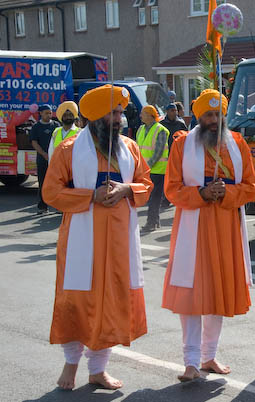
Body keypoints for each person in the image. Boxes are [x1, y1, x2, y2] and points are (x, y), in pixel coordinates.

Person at [42, 84, 153, 390]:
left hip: (120, 242)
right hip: (82, 239)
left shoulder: (129, 148)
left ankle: (98, 370)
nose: (119, 119)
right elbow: (51, 192)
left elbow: (145, 184)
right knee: (77, 299)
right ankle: (71, 365)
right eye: (112, 113)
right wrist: (90, 196)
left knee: (110, 303)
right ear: (94, 116)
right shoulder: (69, 149)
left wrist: (126, 189)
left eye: (120, 113)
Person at [162, 89, 255, 382]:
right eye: (208, 115)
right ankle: (190, 361)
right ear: (197, 117)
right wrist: (202, 193)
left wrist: (227, 192)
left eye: (218, 114)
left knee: (218, 293)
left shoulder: (238, 143)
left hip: (227, 228)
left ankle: (209, 356)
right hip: (194, 227)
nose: (214, 120)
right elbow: (172, 189)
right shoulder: (181, 145)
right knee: (191, 295)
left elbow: (251, 187)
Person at [136, 105, 170, 232]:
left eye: (143, 113)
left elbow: (158, 151)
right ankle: (155, 222)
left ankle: (151, 223)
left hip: (157, 170)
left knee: (154, 198)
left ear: (150, 115)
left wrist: (146, 166)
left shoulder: (160, 130)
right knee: (152, 198)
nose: (140, 116)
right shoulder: (140, 129)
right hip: (145, 170)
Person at [29, 104, 60, 214]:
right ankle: (42, 207)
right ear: (40, 113)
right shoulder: (36, 127)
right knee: (43, 183)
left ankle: (58, 206)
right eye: (46, 113)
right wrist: (43, 154)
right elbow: (34, 142)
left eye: (50, 113)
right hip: (42, 160)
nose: (49, 115)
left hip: (56, 160)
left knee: (58, 183)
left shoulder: (56, 125)